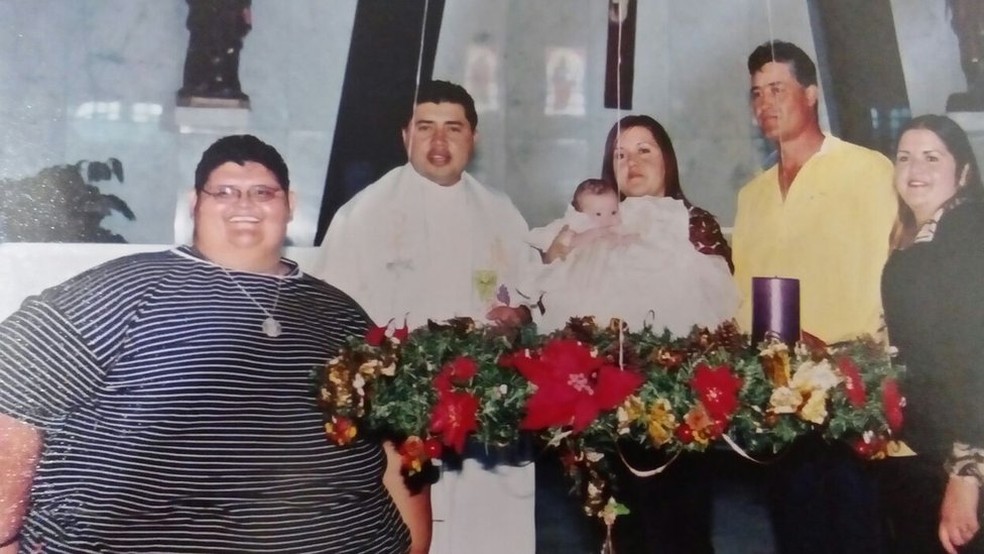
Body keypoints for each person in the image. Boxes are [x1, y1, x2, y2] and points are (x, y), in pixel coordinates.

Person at [0, 135, 430, 553]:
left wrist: (416, 541)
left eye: (263, 192)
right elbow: (12, 399)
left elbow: (401, 439)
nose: (244, 205)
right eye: (224, 191)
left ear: (289, 206)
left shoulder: (341, 314)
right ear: (195, 204)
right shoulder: (120, 293)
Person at [315, 80, 538, 554]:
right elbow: (330, 319)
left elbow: (534, 298)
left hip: (487, 426)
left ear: (473, 138)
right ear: (405, 137)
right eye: (426, 128)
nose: (439, 143)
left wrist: (517, 314)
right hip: (402, 421)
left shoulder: (502, 212)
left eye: (453, 129)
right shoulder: (363, 214)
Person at [540, 115, 736, 554]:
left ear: (667, 158)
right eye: (620, 153)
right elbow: (560, 309)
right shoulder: (594, 226)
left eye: (644, 149)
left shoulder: (694, 223)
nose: (632, 161)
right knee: (618, 535)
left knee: (679, 533)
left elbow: (719, 316)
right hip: (605, 417)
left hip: (676, 414)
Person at [731, 40, 898, 553]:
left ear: (813, 93)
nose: (765, 103)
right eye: (756, 93)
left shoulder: (867, 170)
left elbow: (891, 275)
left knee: (858, 535)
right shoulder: (752, 194)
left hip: (852, 396)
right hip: (780, 403)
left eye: (777, 89)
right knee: (796, 534)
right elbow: (745, 298)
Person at [879, 114, 984, 554]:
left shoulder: (965, 234)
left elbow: (974, 357)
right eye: (904, 157)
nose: (914, 169)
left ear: (962, 172)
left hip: (962, 456)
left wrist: (966, 474)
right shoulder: (926, 239)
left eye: (930, 157)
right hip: (932, 451)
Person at [530, 172, 737, 334]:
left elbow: (625, 240)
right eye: (599, 214)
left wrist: (627, 239)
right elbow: (563, 249)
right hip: (585, 283)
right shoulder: (579, 227)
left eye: (613, 212)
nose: (608, 218)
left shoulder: (664, 220)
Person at [177, 0, 252, 104]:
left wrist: (245, 10)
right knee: (202, 42)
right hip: (204, 12)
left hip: (231, 12)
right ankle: (197, 81)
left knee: (229, 46)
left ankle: (227, 82)